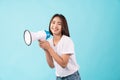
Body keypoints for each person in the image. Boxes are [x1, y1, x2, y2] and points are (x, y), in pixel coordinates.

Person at [38, 14, 81, 80]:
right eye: (53, 22)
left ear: (63, 27)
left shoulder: (67, 40)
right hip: (59, 77)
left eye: (59, 24)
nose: (55, 26)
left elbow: (63, 64)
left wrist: (49, 48)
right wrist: (46, 50)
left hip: (72, 77)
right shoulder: (49, 42)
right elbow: (51, 65)